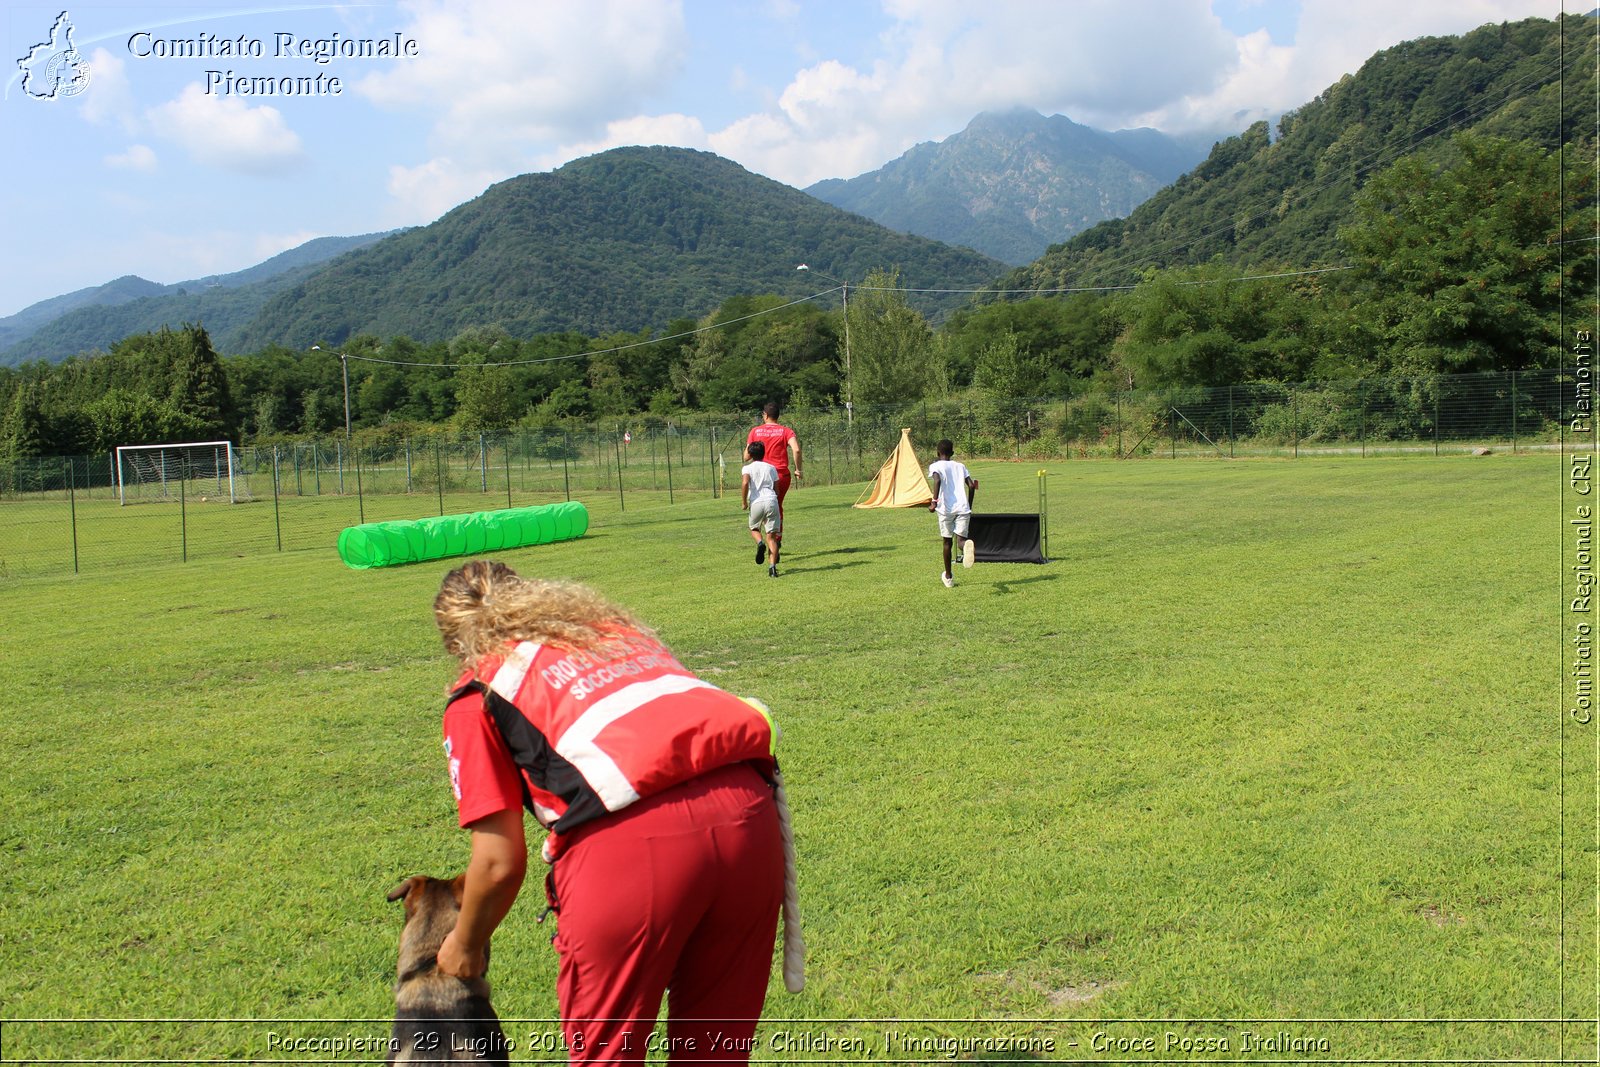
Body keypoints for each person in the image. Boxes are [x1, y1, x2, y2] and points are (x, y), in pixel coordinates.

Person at [431, 561, 800, 1064]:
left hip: (631, 850)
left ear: (457, 643)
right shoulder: (616, 635)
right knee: (716, 1054)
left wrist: (465, 944)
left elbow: (497, 863)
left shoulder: (479, 691)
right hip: (749, 819)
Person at [746, 403, 801, 548]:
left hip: (759, 475)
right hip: (781, 475)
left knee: (760, 505)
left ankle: (764, 541)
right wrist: (798, 469)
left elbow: (746, 456)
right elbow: (796, 450)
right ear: (778, 415)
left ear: (765, 415)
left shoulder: (755, 431)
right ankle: (776, 538)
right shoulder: (786, 431)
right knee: (776, 506)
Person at [926, 439, 978, 588]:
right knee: (961, 540)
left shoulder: (935, 466)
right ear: (952, 453)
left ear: (937, 453)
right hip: (963, 507)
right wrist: (969, 504)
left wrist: (934, 501)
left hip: (945, 508)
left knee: (947, 542)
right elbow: (971, 485)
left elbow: (936, 481)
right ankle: (966, 546)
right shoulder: (960, 466)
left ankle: (948, 577)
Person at [741, 441, 781, 578]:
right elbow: (777, 489)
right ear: (764, 453)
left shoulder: (747, 468)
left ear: (750, 454)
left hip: (756, 502)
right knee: (772, 538)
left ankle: (759, 543)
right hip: (771, 500)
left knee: (754, 528)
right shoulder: (771, 467)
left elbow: (745, 482)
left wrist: (744, 502)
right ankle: (772, 568)